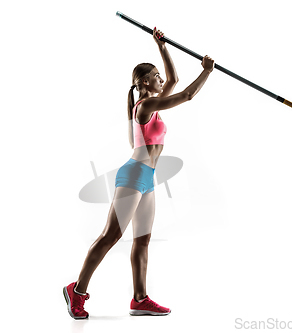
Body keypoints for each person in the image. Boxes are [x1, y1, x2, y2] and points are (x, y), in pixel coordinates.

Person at [63, 27, 215, 319]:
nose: (161, 80)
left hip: (148, 180)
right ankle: (77, 291)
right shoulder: (145, 106)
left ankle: (140, 299)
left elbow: (174, 80)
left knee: (142, 239)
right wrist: (207, 71)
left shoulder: (151, 107)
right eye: (156, 76)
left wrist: (162, 46)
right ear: (146, 82)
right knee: (110, 235)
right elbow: (187, 94)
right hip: (133, 176)